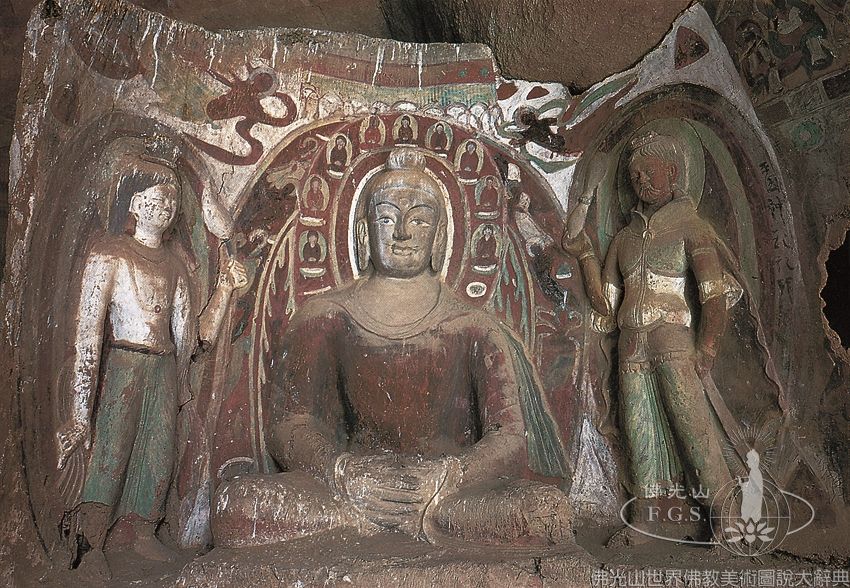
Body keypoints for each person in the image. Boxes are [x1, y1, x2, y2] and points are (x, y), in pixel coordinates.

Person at [211, 148, 571, 548]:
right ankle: (365, 519)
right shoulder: (325, 316)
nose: (402, 234)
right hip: (347, 492)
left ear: (440, 237)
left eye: (419, 219)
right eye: (387, 218)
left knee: (544, 511)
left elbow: (509, 436)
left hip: (446, 496)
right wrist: (342, 472)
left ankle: (407, 518)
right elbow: (291, 424)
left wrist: (446, 476)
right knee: (238, 506)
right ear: (364, 233)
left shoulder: (473, 326)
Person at [55, 153, 246, 577]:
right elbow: (88, 332)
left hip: (163, 367)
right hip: (124, 360)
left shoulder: (176, 266)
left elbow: (196, 339)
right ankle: (89, 540)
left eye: (172, 202)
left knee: (158, 450)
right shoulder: (110, 255)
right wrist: (81, 413)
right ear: (135, 204)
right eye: (155, 199)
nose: (165, 208)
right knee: (112, 447)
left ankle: (140, 530)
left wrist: (225, 290)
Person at [562, 131, 741, 534]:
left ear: (673, 172)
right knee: (637, 430)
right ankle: (645, 516)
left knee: (692, 427)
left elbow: (713, 297)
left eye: (649, 171)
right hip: (631, 345)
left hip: (673, 341)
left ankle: (726, 516)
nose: (641, 180)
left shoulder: (691, 228)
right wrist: (588, 255)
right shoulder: (624, 240)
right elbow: (605, 303)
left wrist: (707, 348)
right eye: (635, 175)